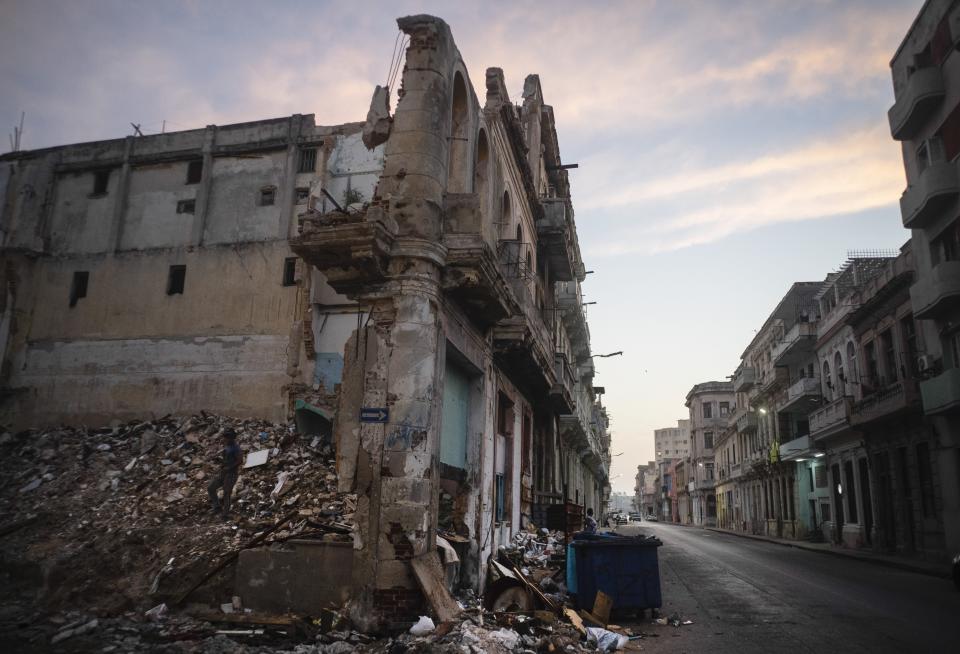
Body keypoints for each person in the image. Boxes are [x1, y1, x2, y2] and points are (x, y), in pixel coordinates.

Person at [208, 429, 241, 519]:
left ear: (231, 438)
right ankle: (217, 507)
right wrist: (220, 461)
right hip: (223, 472)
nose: (224, 439)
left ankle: (225, 513)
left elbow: (239, 461)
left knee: (227, 493)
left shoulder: (236, 447)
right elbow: (226, 459)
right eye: (224, 437)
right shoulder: (227, 445)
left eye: (226, 437)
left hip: (231, 474)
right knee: (211, 487)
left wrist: (229, 467)